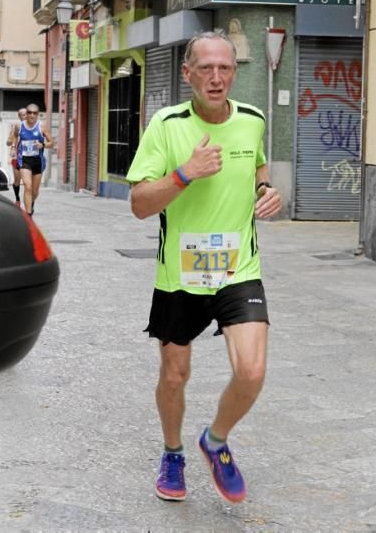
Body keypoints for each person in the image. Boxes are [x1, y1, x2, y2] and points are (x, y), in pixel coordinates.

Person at [126, 31, 282, 504]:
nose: (216, 78)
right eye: (206, 69)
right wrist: (183, 174)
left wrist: (265, 190)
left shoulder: (252, 120)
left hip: (238, 267)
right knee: (175, 376)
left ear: (235, 73)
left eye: (225, 68)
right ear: (187, 73)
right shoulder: (166, 125)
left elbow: (256, 166)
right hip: (180, 274)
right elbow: (138, 203)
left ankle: (214, 440)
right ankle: (172, 452)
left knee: (252, 372)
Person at [12, 104, 53, 215]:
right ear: (27, 114)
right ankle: (28, 215)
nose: (31, 115)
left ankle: (31, 202)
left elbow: (51, 142)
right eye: (29, 112)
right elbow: (15, 137)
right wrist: (13, 148)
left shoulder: (42, 127)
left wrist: (43, 145)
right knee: (27, 186)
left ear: (37, 115)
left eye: (34, 113)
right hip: (24, 160)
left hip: (37, 161)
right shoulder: (19, 126)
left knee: (34, 191)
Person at [6, 107, 27, 207]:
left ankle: (28, 201)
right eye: (22, 115)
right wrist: (12, 143)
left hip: (28, 157)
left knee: (28, 181)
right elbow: (8, 142)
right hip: (17, 157)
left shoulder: (33, 127)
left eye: (26, 114)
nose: (25, 116)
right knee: (17, 180)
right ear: (19, 116)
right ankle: (17, 199)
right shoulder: (15, 127)